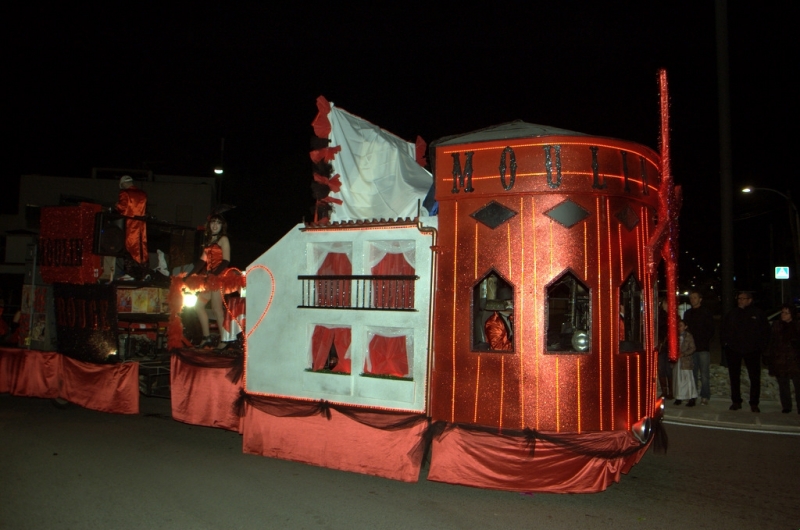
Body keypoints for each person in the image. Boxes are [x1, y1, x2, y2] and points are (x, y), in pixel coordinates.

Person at [186, 214, 231, 349]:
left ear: (222, 226)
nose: (215, 225)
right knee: (198, 306)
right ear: (209, 225)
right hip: (209, 278)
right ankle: (206, 337)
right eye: (213, 222)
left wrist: (214, 275)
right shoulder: (209, 241)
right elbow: (201, 261)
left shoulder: (224, 239)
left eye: (218, 223)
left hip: (218, 277)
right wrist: (189, 275)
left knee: (217, 309)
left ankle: (225, 340)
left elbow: (226, 261)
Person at [721, 291, 770, 412]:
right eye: (739, 298)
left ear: (750, 300)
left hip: (752, 350)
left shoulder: (758, 313)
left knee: (754, 377)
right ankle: (736, 401)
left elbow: (765, 332)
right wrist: (726, 345)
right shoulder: (732, 313)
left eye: (743, 298)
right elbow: (724, 329)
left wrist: (761, 347)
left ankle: (754, 402)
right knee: (734, 377)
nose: (740, 300)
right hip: (734, 349)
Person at [764, 304, 800, 413]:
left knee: (798, 385)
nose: (783, 315)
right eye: (782, 312)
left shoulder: (797, 326)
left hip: (795, 360)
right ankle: (786, 406)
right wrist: (768, 356)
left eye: (786, 313)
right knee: (783, 385)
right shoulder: (776, 325)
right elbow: (771, 342)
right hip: (780, 359)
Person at [682, 290, 714, 405]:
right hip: (691, 349)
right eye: (691, 298)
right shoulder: (688, 313)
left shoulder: (706, 312)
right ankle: (693, 395)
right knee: (692, 374)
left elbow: (710, 329)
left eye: (695, 297)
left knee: (704, 374)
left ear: (700, 299)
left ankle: (705, 396)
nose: (692, 300)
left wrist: (704, 341)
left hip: (703, 348)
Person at [116, 175, 148, 267]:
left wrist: (116, 205)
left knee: (129, 245)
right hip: (141, 224)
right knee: (141, 245)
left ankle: (131, 269)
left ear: (124, 183)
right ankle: (142, 267)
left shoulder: (125, 193)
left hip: (129, 223)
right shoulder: (143, 194)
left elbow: (122, 208)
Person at [673, 319, 698, 406]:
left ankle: (691, 397)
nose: (679, 327)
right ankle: (679, 397)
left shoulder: (688, 336)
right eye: (678, 325)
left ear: (685, 327)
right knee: (678, 379)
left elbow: (693, 348)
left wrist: (684, 354)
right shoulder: (675, 336)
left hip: (686, 360)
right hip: (678, 361)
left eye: (681, 325)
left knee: (688, 379)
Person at [484, 286, 513, 351]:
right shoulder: (493, 322)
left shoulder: (512, 317)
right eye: (511, 302)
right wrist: (516, 346)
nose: (514, 305)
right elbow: (498, 348)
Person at [657, 298, 674, 400]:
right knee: (662, 369)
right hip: (662, 346)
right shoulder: (661, 315)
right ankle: (665, 391)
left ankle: (670, 391)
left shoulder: (672, 316)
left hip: (669, 346)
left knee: (668, 369)